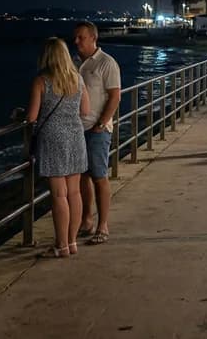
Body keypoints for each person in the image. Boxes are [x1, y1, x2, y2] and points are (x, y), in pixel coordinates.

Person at [28, 37, 90, 258]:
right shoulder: (78, 79)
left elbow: (32, 117)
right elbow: (86, 109)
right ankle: (72, 242)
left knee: (58, 195)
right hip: (75, 137)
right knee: (74, 192)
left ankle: (61, 245)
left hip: (52, 140)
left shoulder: (41, 81)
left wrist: (21, 115)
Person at [73, 22, 120, 246]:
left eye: (80, 38)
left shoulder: (106, 63)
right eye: (75, 38)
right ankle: (86, 219)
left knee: (99, 176)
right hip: (76, 129)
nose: (76, 42)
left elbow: (115, 96)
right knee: (82, 176)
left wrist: (101, 124)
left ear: (93, 38)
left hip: (97, 129)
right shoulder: (74, 63)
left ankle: (103, 225)